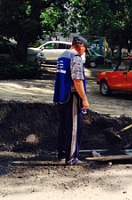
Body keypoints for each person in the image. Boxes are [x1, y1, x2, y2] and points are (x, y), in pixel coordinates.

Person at [53, 35, 89, 165]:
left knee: (63, 126)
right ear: (81, 46)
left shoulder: (63, 56)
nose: (84, 52)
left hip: (61, 96)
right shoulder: (75, 58)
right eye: (85, 49)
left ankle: (62, 153)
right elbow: (77, 80)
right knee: (74, 128)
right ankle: (71, 157)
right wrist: (84, 99)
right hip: (71, 97)